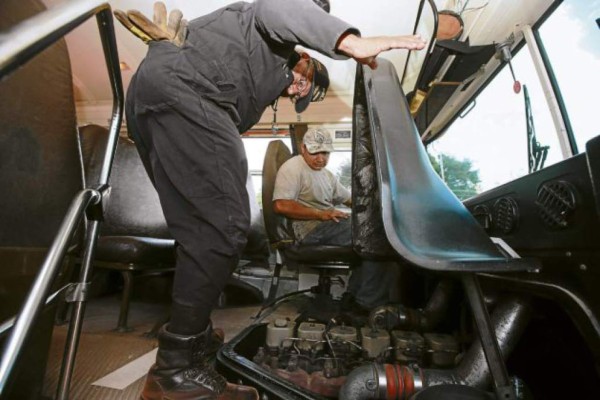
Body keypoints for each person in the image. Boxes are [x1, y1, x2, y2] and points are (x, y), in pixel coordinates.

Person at [118, 0, 425, 399]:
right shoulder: (274, 28)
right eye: (305, 81)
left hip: (151, 95)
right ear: (306, 56)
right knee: (223, 228)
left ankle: (191, 342)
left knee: (198, 231)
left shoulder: (257, 77)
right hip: (183, 89)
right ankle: (175, 372)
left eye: (303, 94)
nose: (298, 88)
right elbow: (274, 7)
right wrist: (351, 42)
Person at [273, 128, 396, 312]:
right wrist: (320, 214)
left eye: (325, 153)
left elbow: (350, 200)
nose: (320, 158)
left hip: (325, 224)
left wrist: (377, 209)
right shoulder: (293, 168)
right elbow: (281, 205)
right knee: (374, 236)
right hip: (308, 229)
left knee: (375, 232)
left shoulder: (327, 175)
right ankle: (367, 304)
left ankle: (354, 297)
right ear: (303, 148)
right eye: (315, 152)